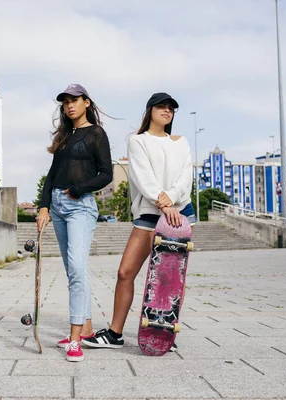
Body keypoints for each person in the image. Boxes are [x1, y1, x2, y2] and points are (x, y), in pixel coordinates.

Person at [82, 92, 194, 352]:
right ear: (150, 110)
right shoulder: (138, 141)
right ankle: (114, 334)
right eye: (162, 107)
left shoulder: (181, 142)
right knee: (125, 272)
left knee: (171, 279)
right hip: (150, 212)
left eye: (171, 108)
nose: (167, 111)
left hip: (180, 214)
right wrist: (162, 202)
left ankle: (164, 332)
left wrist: (172, 200)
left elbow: (185, 177)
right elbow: (143, 176)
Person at [36, 84, 113, 362]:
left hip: (80, 207)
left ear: (86, 102)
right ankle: (87, 328)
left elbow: (107, 174)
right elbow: (51, 175)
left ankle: (74, 339)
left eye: (75, 100)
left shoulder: (96, 134)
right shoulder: (65, 138)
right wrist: (44, 207)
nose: (69, 105)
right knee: (72, 271)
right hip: (56, 206)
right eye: (66, 102)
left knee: (78, 269)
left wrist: (79, 188)